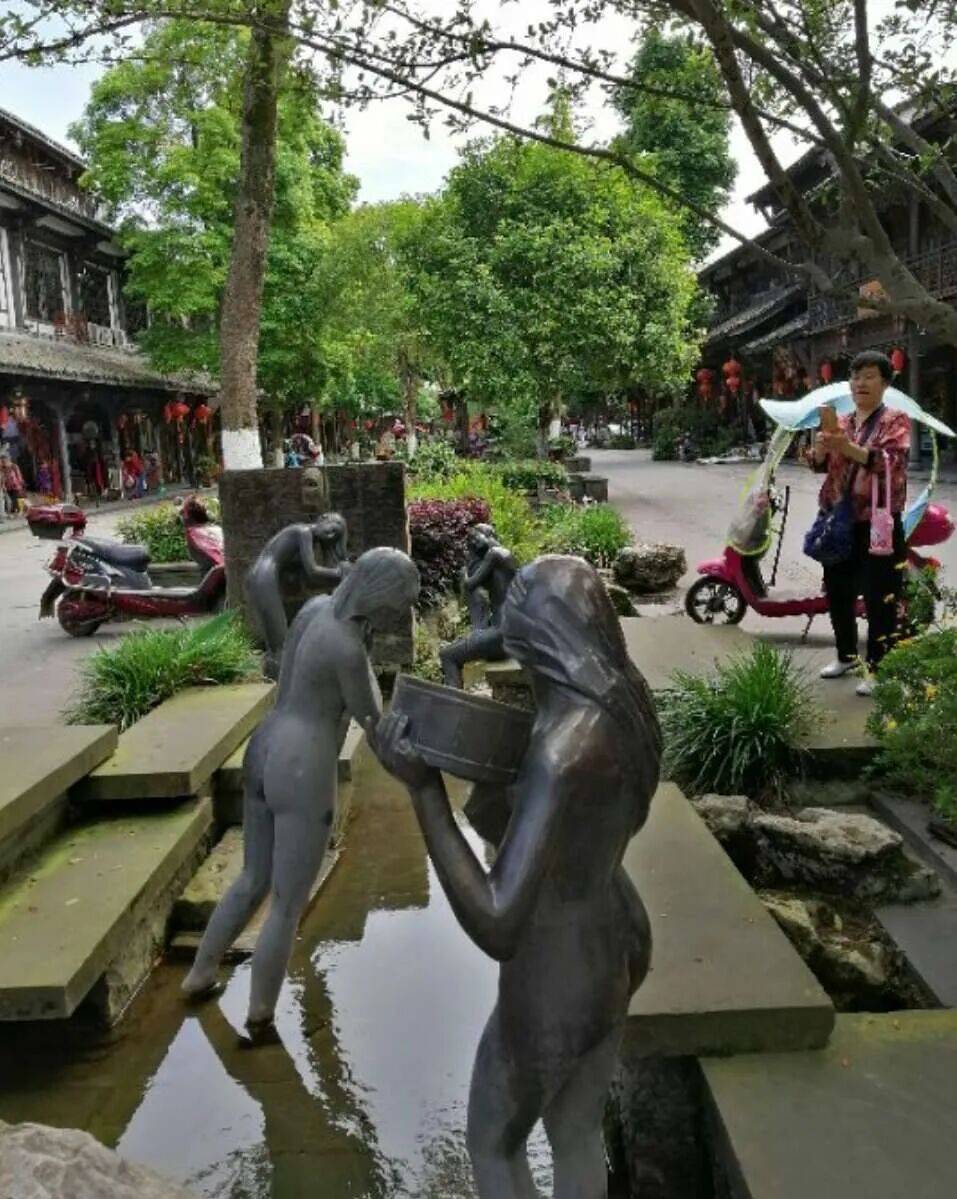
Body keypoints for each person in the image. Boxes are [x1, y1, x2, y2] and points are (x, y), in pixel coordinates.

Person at [372, 555, 661, 1198]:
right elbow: (584, 836)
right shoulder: (626, 709)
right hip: (617, 935)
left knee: (492, 1139)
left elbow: (498, 921)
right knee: (575, 1129)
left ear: (539, 638)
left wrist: (425, 791)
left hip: (555, 971)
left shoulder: (560, 752)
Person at [182, 548, 421, 1029]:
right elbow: (375, 724)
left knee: (253, 877)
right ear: (379, 594)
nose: (397, 613)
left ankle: (200, 973)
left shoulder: (316, 609)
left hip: (267, 742)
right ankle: (260, 1014)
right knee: (287, 903)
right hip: (302, 764)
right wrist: (419, 775)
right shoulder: (348, 648)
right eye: (397, 603)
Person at [809, 350, 911, 695]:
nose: (860, 383)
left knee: (880, 597)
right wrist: (820, 450)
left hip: (878, 524)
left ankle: (879, 668)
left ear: (884, 382)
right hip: (840, 522)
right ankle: (846, 655)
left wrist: (846, 446)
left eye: (868, 376)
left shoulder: (895, 420)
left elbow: (888, 462)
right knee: (838, 591)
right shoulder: (841, 421)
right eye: (855, 377)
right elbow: (821, 466)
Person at [245, 512, 351, 679]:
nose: (331, 534)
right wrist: (341, 573)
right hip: (264, 577)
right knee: (280, 645)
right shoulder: (304, 532)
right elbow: (312, 572)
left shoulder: (306, 540)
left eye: (335, 535)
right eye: (333, 527)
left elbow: (310, 581)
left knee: (278, 641)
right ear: (323, 519)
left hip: (265, 577)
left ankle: (276, 679)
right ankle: (282, 684)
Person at [440, 523, 517, 688]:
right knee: (471, 642)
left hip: (502, 633)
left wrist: (463, 574)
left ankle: (452, 700)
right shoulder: (507, 557)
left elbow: (470, 584)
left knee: (447, 655)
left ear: (488, 535)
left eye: (475, 537)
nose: (473, 542)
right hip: (512, 633)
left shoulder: (494, 554)